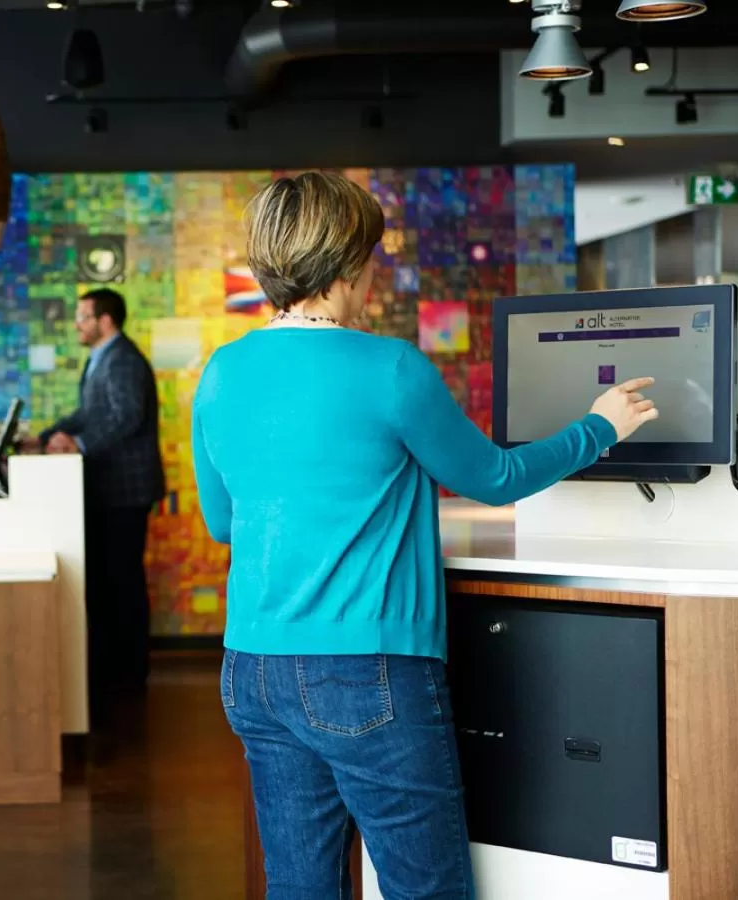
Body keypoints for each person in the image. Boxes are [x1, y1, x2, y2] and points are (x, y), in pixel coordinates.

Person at [190, 172, 658, 900]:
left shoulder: (222, 373)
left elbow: (224, 522)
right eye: (372, 256)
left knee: (300, 888)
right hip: (365, 670)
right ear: (346, 264)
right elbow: (494, 478)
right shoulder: (390, 369)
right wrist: (600, 428)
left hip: (252, 668)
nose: (375, 274)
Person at [38, 288, 165, 721]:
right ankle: (114, 668)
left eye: (83, 317)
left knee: (123, 582)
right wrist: (44, 436)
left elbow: (126, 415)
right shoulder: (103, 358)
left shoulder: (124, 360)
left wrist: (80, 443)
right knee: (112, 581)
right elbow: (89, 412)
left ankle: (129, 674)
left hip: (126, 491)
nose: (77, 324)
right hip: (110, 490)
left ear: (105, 320)